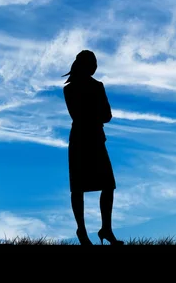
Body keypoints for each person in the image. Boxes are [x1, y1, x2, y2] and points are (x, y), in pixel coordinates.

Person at [62, 50, 123, 246]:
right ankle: (83, 230)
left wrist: (93, 115)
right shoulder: (72, 89)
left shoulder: (95, 86)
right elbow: (85, 115)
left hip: (92, 137)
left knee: (107, 185)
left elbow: (107, 115)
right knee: (79, 187)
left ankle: (105, 229)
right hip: (84, 138)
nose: (94, 67)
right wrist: (94, 114)